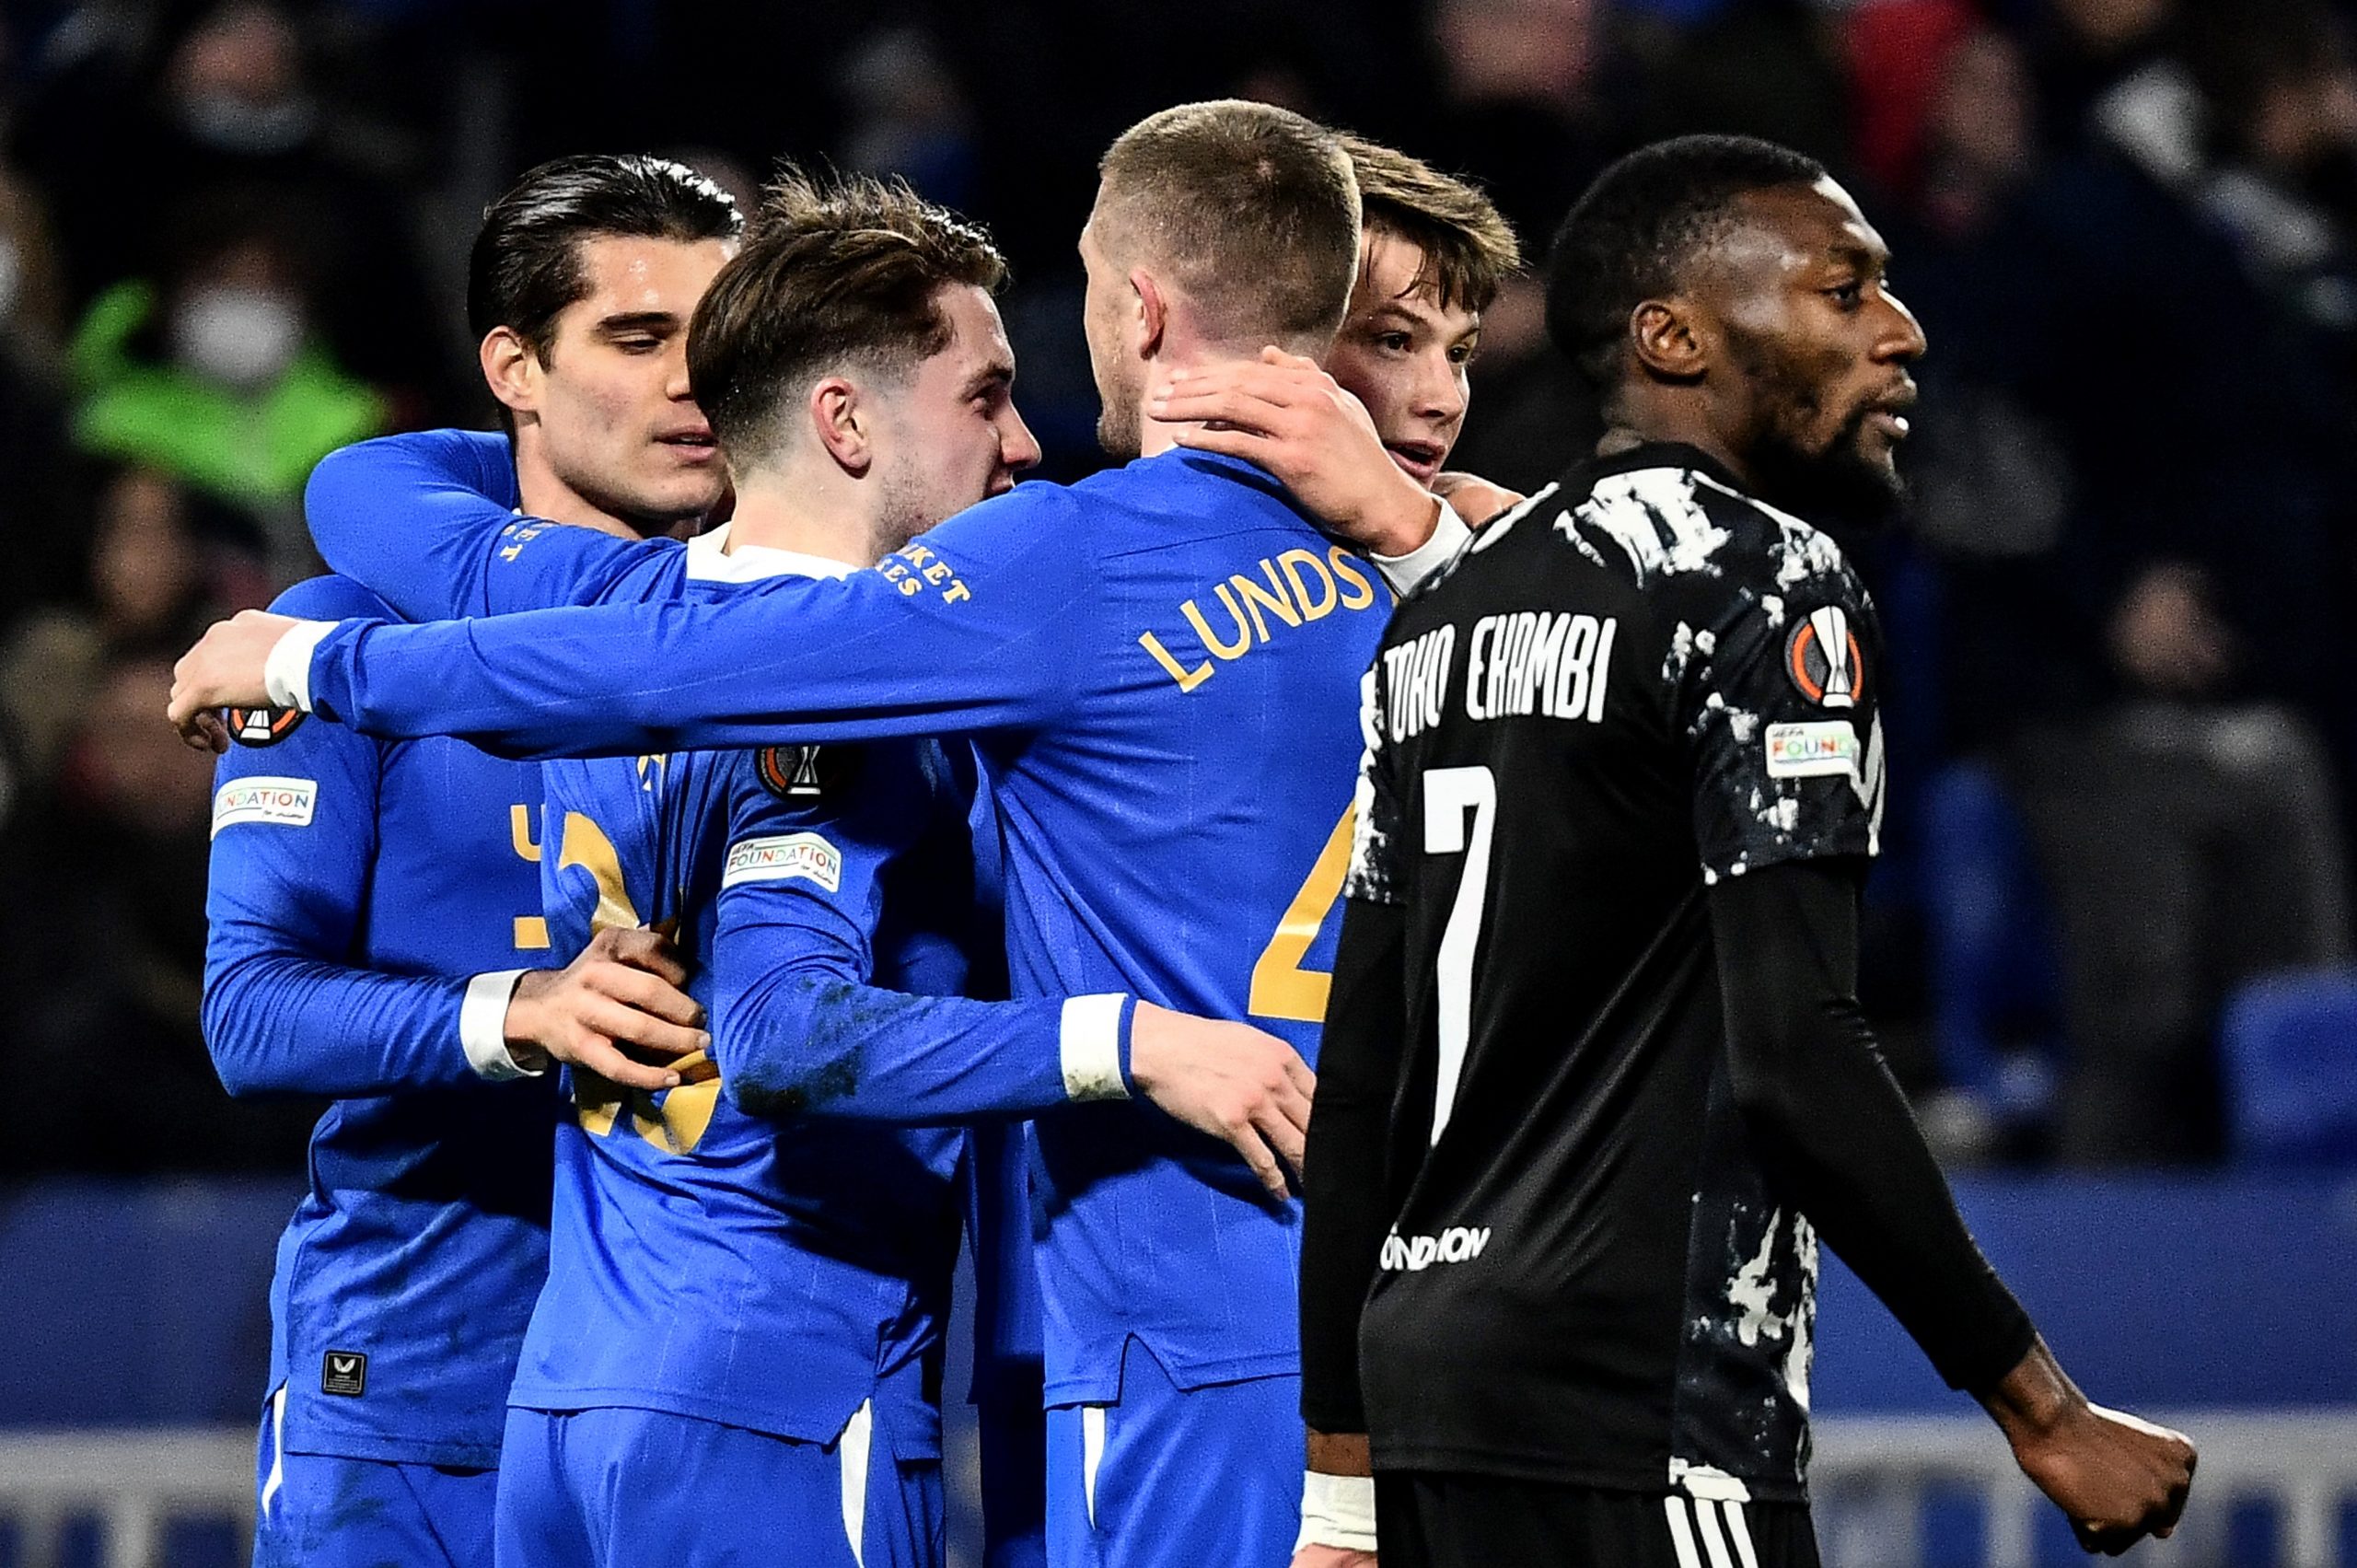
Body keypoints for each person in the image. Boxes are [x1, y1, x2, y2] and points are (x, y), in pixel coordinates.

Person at [168, 100, 1469, 1566]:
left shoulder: (637, 626)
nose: (1028, 445)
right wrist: (1134, 1039)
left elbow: (405, 508)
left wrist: (1426, 530)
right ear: (845, 418)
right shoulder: (855, 681)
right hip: (771, 1390)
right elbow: (783, 1027)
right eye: (986, 397)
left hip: (583, 1389)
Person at [1293, 134, 2197, 1567]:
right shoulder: (1762, 577)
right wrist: (2040, 1404)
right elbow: (1799, 1055)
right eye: (1846, 294)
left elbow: (1363, 1089)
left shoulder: (1439, 621)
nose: (1901, 335)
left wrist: (1341, 1491)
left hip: (1432, 1397)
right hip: (1639, 1399)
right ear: (1674, 336)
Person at [201, 152, 737, 1568]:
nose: (695, 379)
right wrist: (521, 1014)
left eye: (720, 333)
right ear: (515, 367)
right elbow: (250, 1013)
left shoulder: (789, 655)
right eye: (637, 338)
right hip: (426, 1351)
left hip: (709, 1367)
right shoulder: (332, 638)